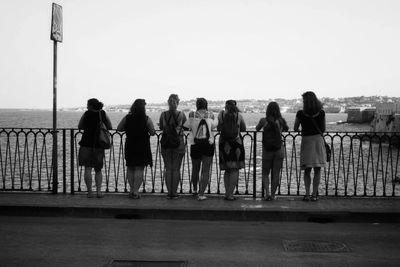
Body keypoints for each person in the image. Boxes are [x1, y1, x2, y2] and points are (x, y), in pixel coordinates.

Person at [117, 99, 156, 199]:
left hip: (130, 144)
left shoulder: (127, 118)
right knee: (139, 168)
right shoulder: (146, 119)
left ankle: (131, 190)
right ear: (143, 108)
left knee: (130, 167)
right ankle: (135, 191)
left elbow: (119, 129)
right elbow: (152, 132)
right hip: (142, 145)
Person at [294, 91, 326, 201]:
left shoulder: (300, 113)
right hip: (318, 141)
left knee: (307, 170)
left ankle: (307, 194)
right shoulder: (321, 113)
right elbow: (323, 129)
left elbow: (295, 128)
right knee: (317, 169)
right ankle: (314, 195)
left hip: (307, 141)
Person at [184, 98, 218, 201]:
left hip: (195, 144)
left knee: (195, 169)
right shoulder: (210, 115)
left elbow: (185, 126)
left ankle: (194, 189)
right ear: (206, 105)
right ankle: (201, 194)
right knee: (206, 170)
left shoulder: (191, 115)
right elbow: (214, 126)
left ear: (197, 105)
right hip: (208, 144)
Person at [78, 98, 112, 198]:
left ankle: (89, 192)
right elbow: (109, 126)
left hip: (86, 144)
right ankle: (98, 192)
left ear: (91, 106)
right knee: (98, 169)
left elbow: (80, 126)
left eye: (87, 105)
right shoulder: (102, 114)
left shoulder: (86, 114)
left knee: (87, 168)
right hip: (98, 145)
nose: (86, 107)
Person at [256, 102, 289, 201]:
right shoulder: (281, 120)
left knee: (265, 173)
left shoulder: (263, 120)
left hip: (267, 150)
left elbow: (257, 129)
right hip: (279, 149)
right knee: (276, 173)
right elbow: (287, 129)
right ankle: (273, 195)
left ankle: (267, 194)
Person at [159, 94, 187, 199]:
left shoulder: (163, 114)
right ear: (178, 102)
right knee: (176, 169)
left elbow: (162, 126)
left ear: (168, 103)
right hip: (178, 142)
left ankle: (169, 192)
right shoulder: (181, 114)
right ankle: (174, 193)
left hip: (166, 142)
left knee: (168, 168)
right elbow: (185, 126)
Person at [217, 100, 246, 200]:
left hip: (223, 143)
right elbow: (243, 128)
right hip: (236, 143)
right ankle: (230, 194)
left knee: (227, 169)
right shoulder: (238, 116)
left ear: (226, 106)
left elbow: (218, 127)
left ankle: (226, 193)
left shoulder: (221, 114)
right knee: (234, 169)